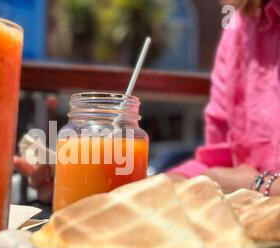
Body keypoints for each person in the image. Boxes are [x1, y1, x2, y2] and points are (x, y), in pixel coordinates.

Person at [15, 0, 280, 202]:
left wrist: (259, 184)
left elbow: (228, 179)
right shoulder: (240, 29)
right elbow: (217, 166)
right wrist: (94, 192)